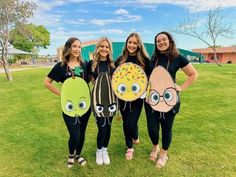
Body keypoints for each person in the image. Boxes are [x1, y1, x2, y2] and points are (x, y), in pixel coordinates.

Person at [144, 31, 198, 168]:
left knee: (166, 129)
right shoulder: (153, 59)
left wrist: (180, 87)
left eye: (164, 39)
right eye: (158, 41)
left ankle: (163, 154)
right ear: (156, 44)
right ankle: (155, 147)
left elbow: (193, 74)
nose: (161, 42)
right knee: (152, 129)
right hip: (152, 100)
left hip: (169, 101)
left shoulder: (178, 58)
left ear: (170, 41)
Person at [44, 37, 91, 168]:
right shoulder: (60, 66)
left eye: (79, 47)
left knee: (82, 132)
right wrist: (62, 94)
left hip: (85, 106)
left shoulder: (85, 64)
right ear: (68, 48)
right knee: (74, 134)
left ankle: (78, 155)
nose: (77, 49)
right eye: (74, 46)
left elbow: (89, 80)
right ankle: (71, 154)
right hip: (69, 107)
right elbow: (47, 83)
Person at [115, 32, 149, 160]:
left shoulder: (145, 61)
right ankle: (130, 146)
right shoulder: (120, 59)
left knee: (131, 123)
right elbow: (115, 78)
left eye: (135, 43)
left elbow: (151, 77)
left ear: (139, 45)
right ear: (126, 43)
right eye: (130, 42)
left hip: (137, 99)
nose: (132, 45)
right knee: (126, 122)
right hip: (122, 97)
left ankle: (134, 136)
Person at [87, 37, 116, 165]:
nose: (104, 49)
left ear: (109, 49)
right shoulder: (91, 64)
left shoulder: (113, 65)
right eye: (102, 46)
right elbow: (86, 78)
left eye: (107, 47)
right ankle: (99, 150)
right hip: (97, 100)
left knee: (108, 126)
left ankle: (105, 150)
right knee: (102, 127)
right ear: (97, 48)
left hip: (111, 100)